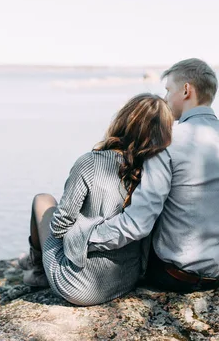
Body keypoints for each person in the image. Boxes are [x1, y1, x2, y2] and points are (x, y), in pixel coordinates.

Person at [81, 58, 219, 292]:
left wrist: (84, 238)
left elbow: (138, 225)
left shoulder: (168, 140)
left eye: (168, 90)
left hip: (177, 276)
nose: (166, 99)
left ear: (187, 90)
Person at [18, 93, 174, 306]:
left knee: (43, 201)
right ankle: (33, 263)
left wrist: (78, 236)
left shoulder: (90, 163)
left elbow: (59, 227)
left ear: (122, 120)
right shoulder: (156, 172)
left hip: (79, 286)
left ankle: (37, 270)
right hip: (125, 280)